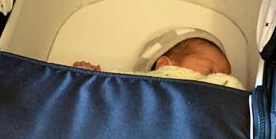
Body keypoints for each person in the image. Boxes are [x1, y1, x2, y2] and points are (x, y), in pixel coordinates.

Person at [74, 36, 244, 89]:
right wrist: (89, 77)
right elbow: (115, 84)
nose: (218, 78)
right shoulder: (139, 82)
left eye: (224, 76)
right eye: (209, 69)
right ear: (164, 65)